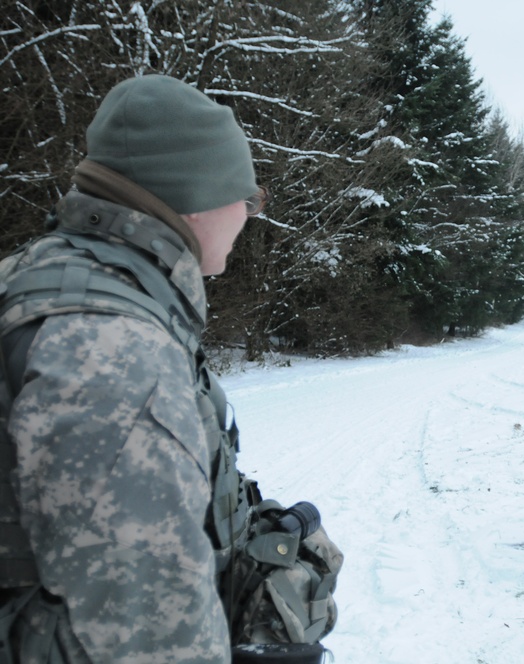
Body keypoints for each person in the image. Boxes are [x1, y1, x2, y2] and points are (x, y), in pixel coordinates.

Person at [0, 75, 338, 663]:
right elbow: (141, 628)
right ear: (198, 200)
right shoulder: (113, 348)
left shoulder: (49, 280)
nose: (250, 216)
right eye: (249, 199)